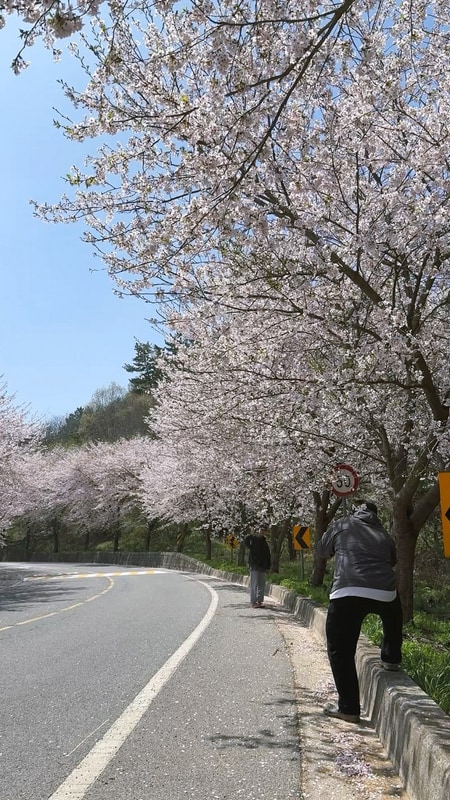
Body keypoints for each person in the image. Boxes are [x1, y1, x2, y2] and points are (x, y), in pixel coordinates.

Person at [314, 501, 403, 723]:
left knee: (340, 651)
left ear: (356, 511)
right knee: (393, 610)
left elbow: (322, 550)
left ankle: (349, 707)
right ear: (375, 515)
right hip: (383, 592)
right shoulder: (383, 533)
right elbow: (393, 560)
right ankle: (391, 657)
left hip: (347, 590)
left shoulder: (342, 523)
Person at [244, 526, 271, 608]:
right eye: (261, 530)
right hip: (254, 565)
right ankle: (253, 601)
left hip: (262, 566)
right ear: (258, 531)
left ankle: (260, 601)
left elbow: (267, 556)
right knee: (254, 584)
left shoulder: (265, 543)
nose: (262, 532)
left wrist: (268, 567)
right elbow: (247, 542)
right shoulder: (254, 540)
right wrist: (250, 535)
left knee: (261, 584)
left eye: (264, 530)